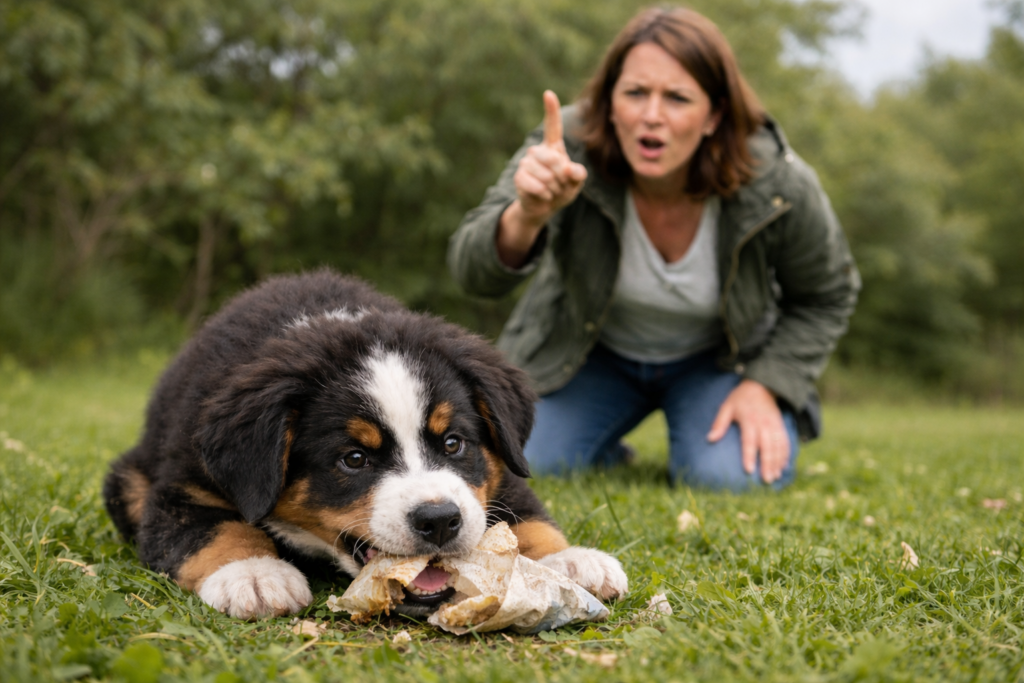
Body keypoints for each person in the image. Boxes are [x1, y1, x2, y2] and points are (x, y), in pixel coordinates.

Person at [448, 7, 859, 491]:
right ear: (610, 102)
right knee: (523, 462)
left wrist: (767, 384)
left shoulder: (778, 180)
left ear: (714, 115)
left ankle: (697, 426)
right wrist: (528, 213)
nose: (651, 115)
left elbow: (827, 294)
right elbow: (472, 272)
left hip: (718, 361)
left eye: (678, 97)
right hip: (587, 354)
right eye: (636, 93)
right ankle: (601, 445)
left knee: (732, 479)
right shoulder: (564, 146)